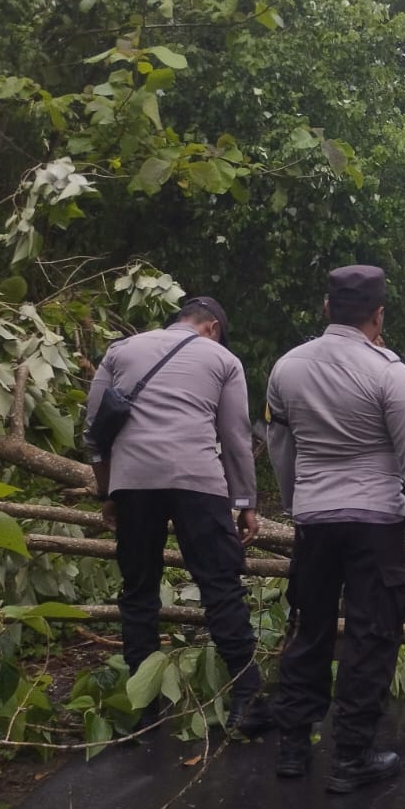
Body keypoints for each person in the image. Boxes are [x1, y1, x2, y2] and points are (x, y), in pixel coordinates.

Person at [266, 266, 405, 789]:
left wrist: (294, 500)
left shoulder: (287, 368)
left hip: (315, 519)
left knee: (310, 629)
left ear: (327, 310)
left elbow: (279, 445)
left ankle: (292, 746)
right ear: (378, 315)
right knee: (371, 636)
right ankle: (350, 757)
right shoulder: (388, 372)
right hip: (374, 521)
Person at [84, 296, 269, 735]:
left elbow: (94, 431)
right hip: (197, 482)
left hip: (134, 483)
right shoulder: (223, 359)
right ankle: (245, 695)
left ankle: (144, 706)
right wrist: (245, 503)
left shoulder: (120, 350)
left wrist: (108, 491)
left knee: (139, 588)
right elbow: (236, 438)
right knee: (220, 584)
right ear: (212, 328)